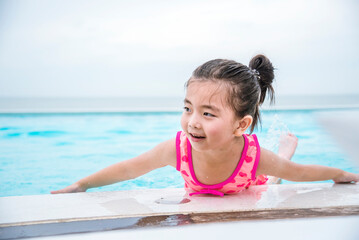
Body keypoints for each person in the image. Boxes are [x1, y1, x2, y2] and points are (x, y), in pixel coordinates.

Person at [51, 55, 359, 196]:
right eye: (187, 108)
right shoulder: (177, 149)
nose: (192, 122)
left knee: (275, 179)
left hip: (250, 182)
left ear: (242, 125)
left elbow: (301, 174)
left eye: (208, 114)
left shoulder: (254, 157)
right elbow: (130, 168)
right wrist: (82, 184)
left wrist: (341, 174)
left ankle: (284, 151)